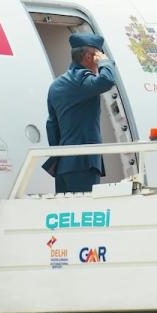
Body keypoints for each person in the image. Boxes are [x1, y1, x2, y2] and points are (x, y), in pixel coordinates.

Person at [42, 32, 117, 194]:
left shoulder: (56, 85)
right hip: (83, 163)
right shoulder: (82, 79)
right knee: (82, 214)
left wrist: (59, 156)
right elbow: (107, 80)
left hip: (63, 164)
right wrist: (105, 61)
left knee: (65, 215)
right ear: (91, 57)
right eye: (98, 54)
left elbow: (51, 126)